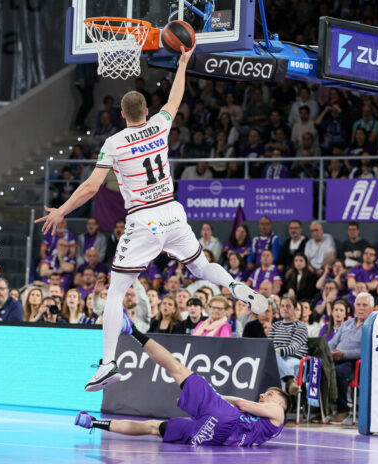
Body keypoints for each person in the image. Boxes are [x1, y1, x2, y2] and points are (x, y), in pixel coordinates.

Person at [35, 44, 267, 392]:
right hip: (173, 211)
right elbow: (175, 99)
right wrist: (184, 63)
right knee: (201, 266)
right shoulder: (159, 125)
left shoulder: (114, 143)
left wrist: (61, 210)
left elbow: (92, 187)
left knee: (115, 293)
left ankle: (108, 364)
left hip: (144, 219)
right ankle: (234, 286)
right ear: (146, 110)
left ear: (123, 115)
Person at [75, 313, 288, 447]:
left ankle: (131, 329)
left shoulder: (278, 412)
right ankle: (93, 422)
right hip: (214, 438)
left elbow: (242, 404)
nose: (263, 395)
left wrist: (216, 397)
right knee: (153, 427)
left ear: (280, 403)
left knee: (175, 367)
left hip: (226, 417)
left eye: (269, 394)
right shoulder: (269, 427)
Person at [328, 292, 372, 425]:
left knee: (339, 372)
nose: (361, 308)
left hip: (354, 362)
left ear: (372, 308)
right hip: (335, 357)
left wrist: (344, 354)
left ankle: (343, 409)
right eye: (358, 304)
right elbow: (332, 342)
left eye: (364, 305)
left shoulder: (371, 326)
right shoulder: (346, 324)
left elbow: (366, 350)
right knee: (318, 367)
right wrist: (328, 352)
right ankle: (324, 409)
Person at [268, 295, 308, 396]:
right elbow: (269, 345)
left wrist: (277, 351)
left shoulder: (301, 326)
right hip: (276, 358)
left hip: (295, 360)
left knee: (277, 368)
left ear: (294, 308)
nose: (285, 308)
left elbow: (293, 348)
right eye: (282, 306)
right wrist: (274, 353)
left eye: (288, 306)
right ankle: (289, 381)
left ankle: (277, 402)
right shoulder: (275, 326)